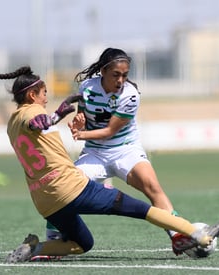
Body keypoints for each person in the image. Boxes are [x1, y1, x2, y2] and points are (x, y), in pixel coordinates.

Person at [0, 66, 219, 263]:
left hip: (43, 200)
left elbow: (37, 135)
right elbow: (39, 123)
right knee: (143, 209)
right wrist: (58, 112)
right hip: (71, 187)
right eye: (43, 94)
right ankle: (198, 235)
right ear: (31, 95)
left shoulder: (11, 122)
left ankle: (36, 248)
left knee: (83, 244)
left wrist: (71, 120)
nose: (46, 98)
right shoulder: (34, 112)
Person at [46, 47, 189, 255]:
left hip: (126, 150)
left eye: (125, 75)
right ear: (103, 71)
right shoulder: (87, 88)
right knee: (62, 188)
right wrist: (79, 124)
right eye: (116, 75)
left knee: (151, 185)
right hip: (95, 154)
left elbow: (110, 131)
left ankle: (177, 235)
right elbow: (84, 121)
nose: (121, 80)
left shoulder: (130, 95)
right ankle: (54, 241)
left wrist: (81, 135)